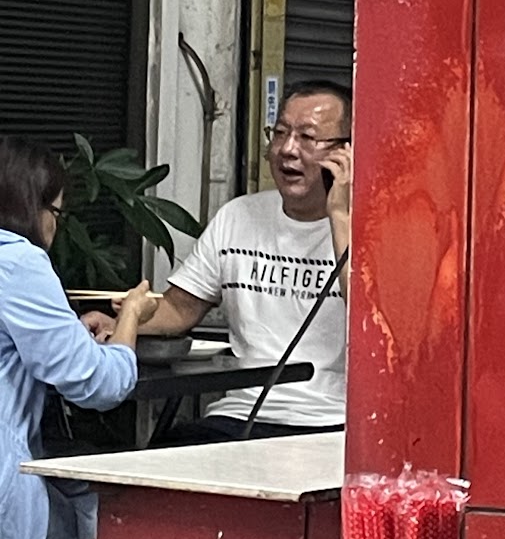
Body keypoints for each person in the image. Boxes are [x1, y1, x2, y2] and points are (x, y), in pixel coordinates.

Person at [83, 80, 353, 443]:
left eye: (308, 137)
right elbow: (180, 309)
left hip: (331, 422)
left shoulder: (372, 228)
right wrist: (122, 324)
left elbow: (373, 322)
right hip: (241, 414)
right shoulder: (239, 216)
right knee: (163, 457)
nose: (288, 149)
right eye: (280, 133)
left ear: (345, 153)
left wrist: (341, 216)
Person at [0, 136, 157, 539]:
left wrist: (70, 333)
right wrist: (130, 318)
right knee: (83, 533)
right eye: (57, 213)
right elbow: (98, 384)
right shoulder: (17, 260)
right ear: (34, 207)